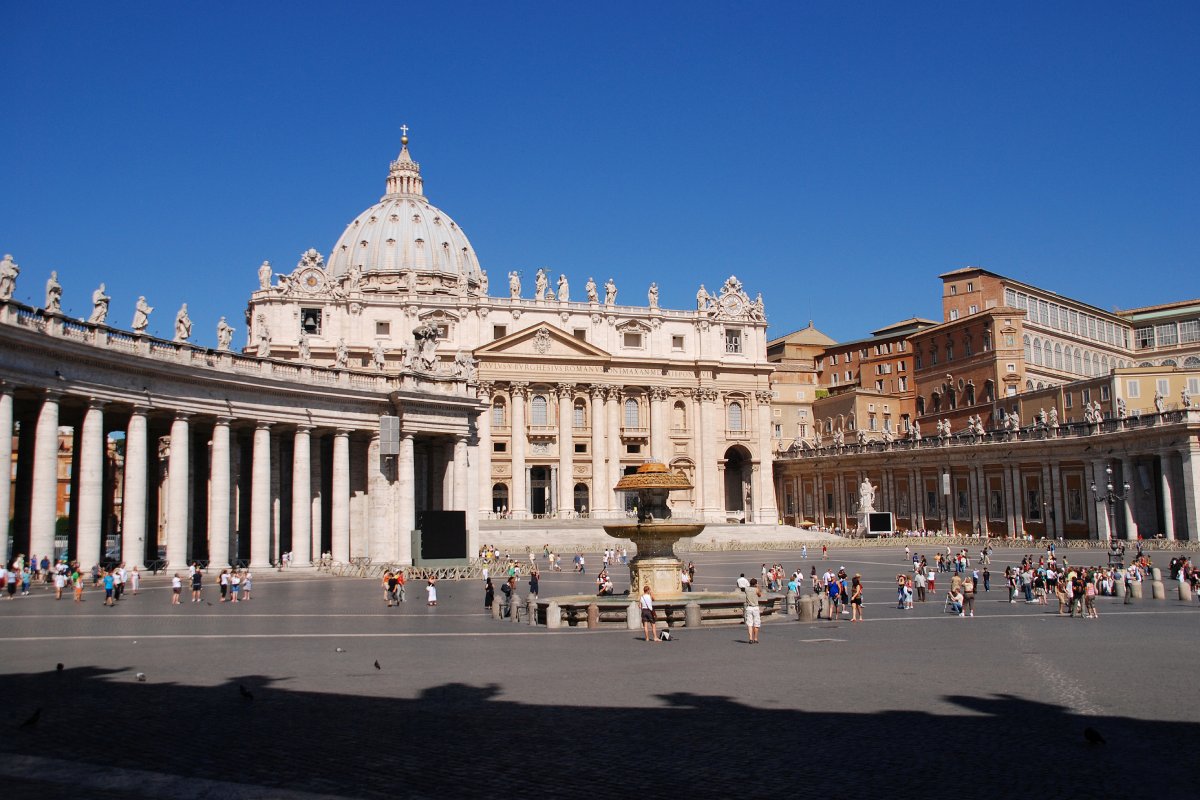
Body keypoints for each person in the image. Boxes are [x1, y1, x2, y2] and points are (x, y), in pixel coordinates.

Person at [743, 578, 762, 643]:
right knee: (756, 624)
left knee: (750, 624)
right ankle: (755, 638)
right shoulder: (756, 589)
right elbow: (760, 595)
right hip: (755, 608)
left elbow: (744, 588)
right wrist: (758, 587)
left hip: (749, 608)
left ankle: (750, 638)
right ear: (756, 583)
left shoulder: (746, 589)